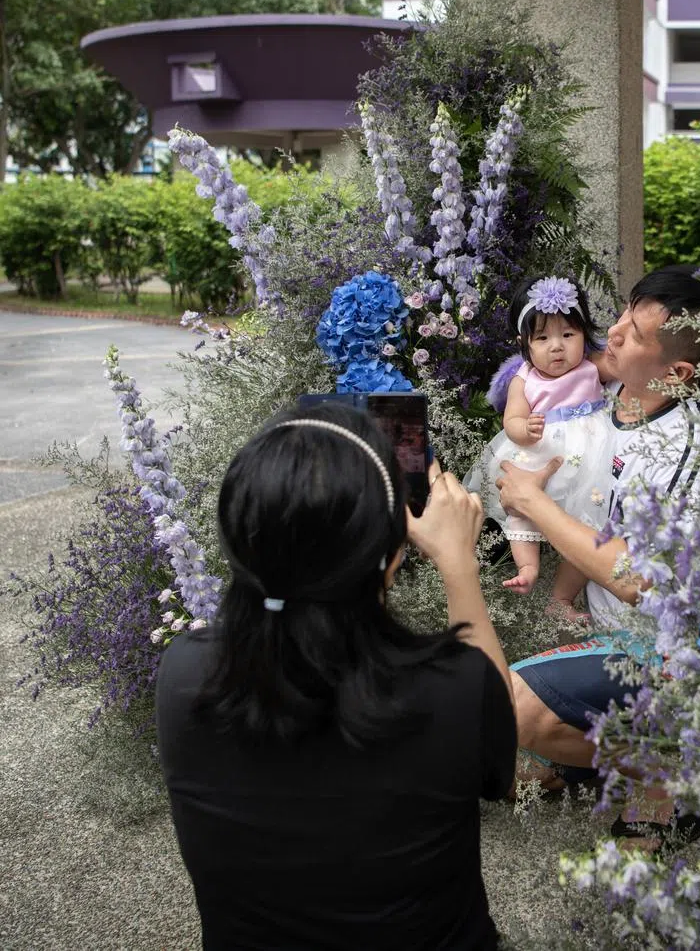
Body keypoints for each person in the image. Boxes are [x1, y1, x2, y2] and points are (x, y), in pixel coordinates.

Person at [155, 401, 515, 951]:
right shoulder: (454, 691)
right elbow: (498, 762)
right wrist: (458, 565)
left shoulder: (184, 676)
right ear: (392, 556)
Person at [495, 266, 700, 828]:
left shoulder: (691, 443)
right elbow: (597, 509)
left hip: (661, 656)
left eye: (635, 331)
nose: (615, 330)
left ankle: (673, 776)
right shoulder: (608, 395)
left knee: (508, 710)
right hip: (601, 639)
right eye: (625, 311)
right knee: (479, 759)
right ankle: (599, 757)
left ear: (677, 372)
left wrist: (532, 504)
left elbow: (636, 579)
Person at [469, 273, 611, 607]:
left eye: (568, 334)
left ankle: (562, 598)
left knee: (589, 519)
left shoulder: (591, 366)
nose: (557, 345)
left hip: (590, 455)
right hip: (539, 451)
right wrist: (523, 429)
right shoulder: (524, 379)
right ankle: (528, 565)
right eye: (543, 338)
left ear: (584, 336)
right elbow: (512, 419)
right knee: (521, 511)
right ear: (525, 345)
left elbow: (630, 370)